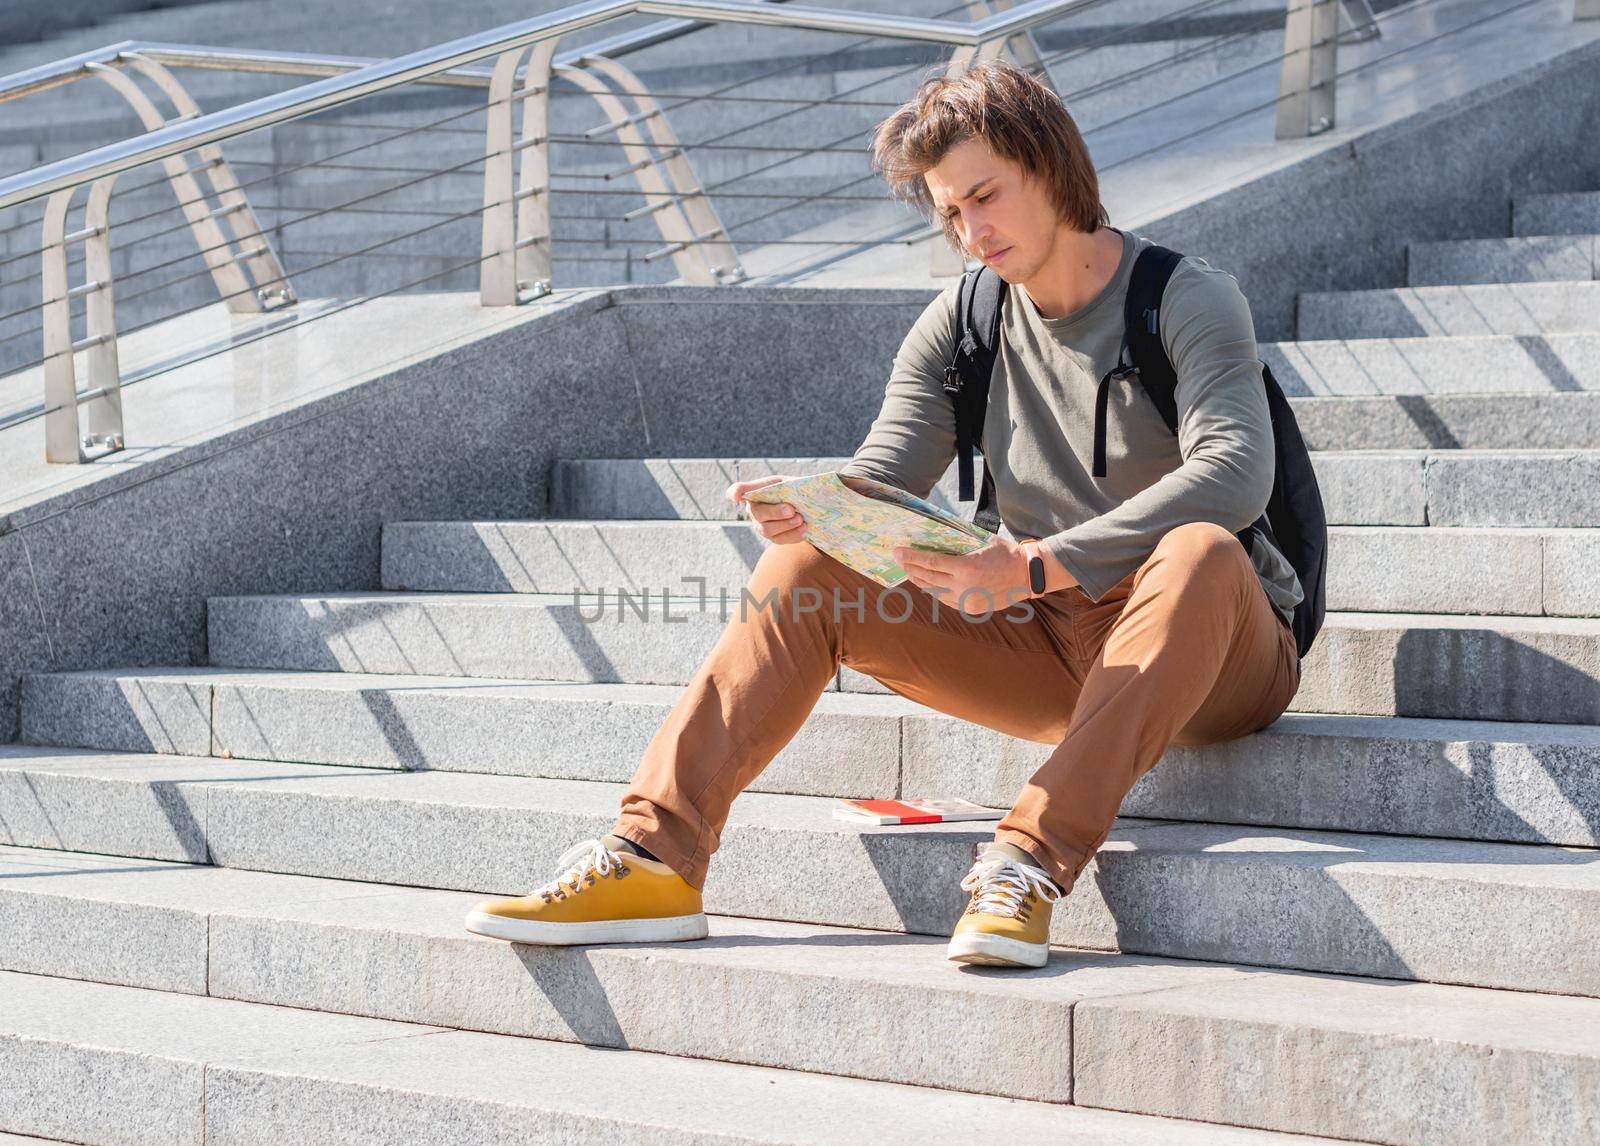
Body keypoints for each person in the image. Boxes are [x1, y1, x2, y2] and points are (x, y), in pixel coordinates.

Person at [464, 59, 1302, 969]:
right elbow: (882, 479)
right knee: (802, 569)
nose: (971, 232)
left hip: (1215, 650)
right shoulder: (966, 322)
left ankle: (1025, 862)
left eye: (986, 196)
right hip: (1050, 645)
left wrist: (1031, 565)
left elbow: (1235, 472)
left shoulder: (1182, 296)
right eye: (950, 213)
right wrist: (813, 514)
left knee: (1199, 550)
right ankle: (654, 857)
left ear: (1053, 169)